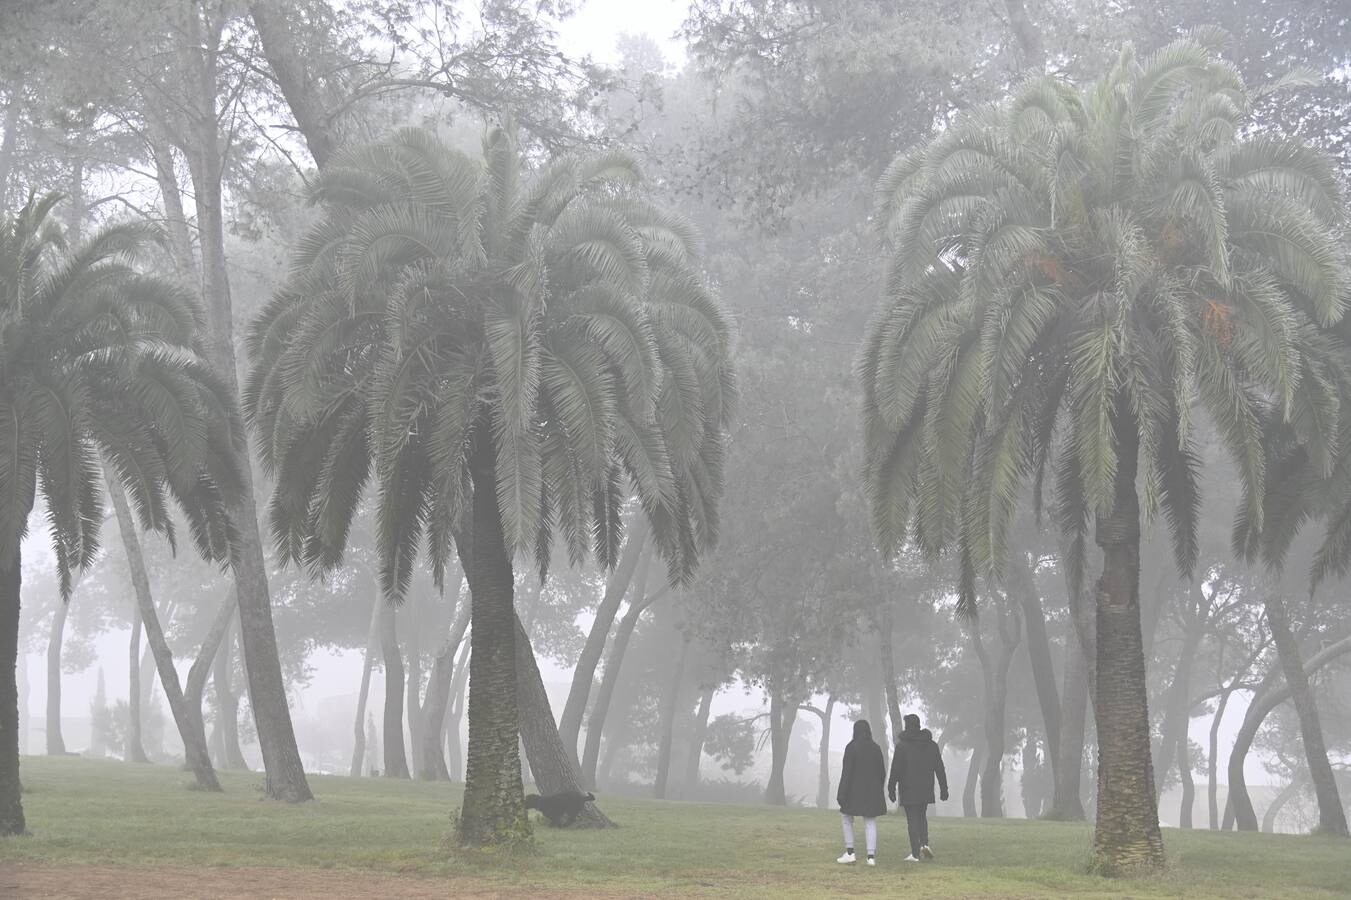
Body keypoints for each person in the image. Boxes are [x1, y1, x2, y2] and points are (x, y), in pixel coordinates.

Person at [888, 714, 948, 862]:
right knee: (922, 816)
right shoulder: (931, 745)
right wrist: (943, 788)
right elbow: (939, 768)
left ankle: (915, 853)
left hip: (908, 787)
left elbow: (895, 769)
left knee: (912, 819)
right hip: (926, 787)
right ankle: (924, 844)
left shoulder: (902, 746)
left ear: (907, 725)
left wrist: (891, 788)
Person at [836, 719, 887, 866]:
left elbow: (846, 773)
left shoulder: (851, 747)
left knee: (846, 818)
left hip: (853, 791)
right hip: (872, 791)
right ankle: (871, 857)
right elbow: (882, 773)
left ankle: (850, 852)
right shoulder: (876, 748)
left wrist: (841, 793)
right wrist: (878, 787)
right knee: (870, 821)